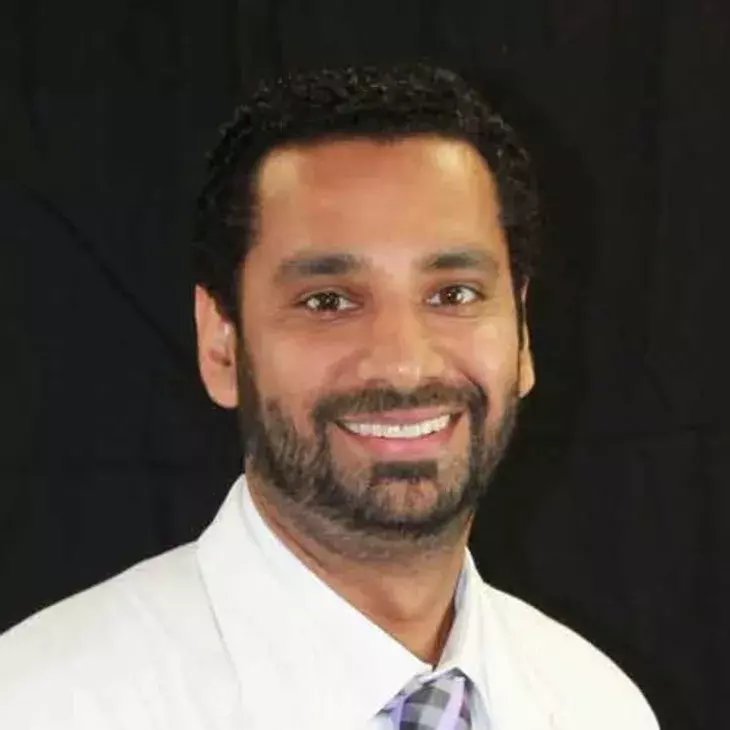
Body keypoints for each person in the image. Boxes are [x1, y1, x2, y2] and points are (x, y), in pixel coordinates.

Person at [0, 62, 658, 729]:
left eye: (454, 294)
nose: (404, 364)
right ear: (221, 345)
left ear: (522, 338)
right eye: (328, 301)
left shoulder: (597, 705)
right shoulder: (42, 705)